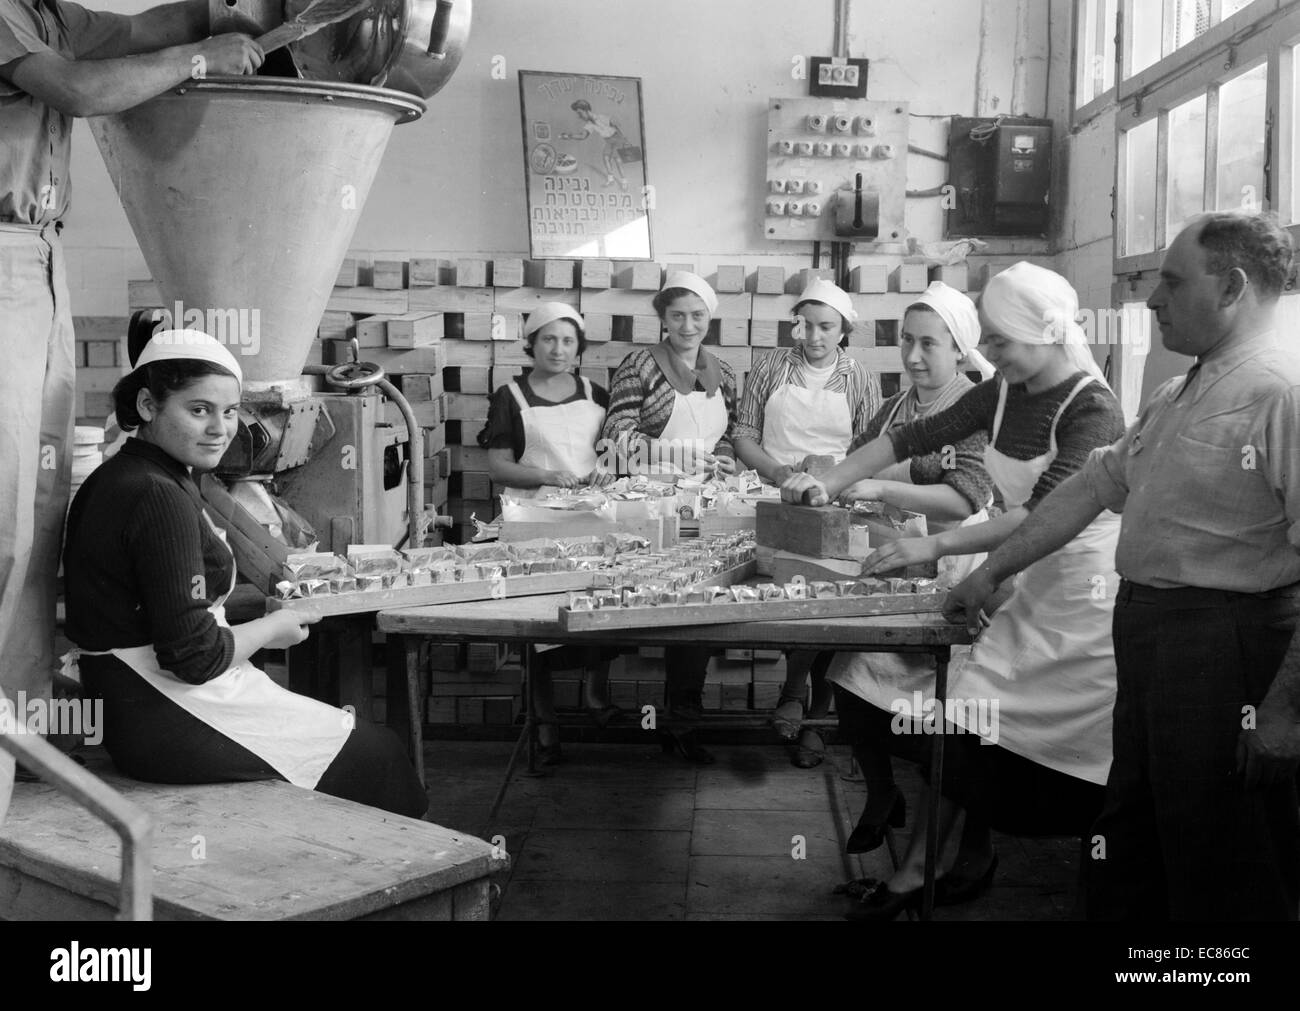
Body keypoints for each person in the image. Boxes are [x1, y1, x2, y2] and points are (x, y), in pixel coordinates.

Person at [949, 212, 1300, 922]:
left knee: (1219, 852)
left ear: (1231, 287)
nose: (1150, 300)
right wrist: (989, 572)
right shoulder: (1180, 395)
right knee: (1135, 836)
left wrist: (1287, 709)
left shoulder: (1280, 395)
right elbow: (1087, 490)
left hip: (1224, 648)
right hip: (1151, 642)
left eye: (1171, 282)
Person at [783, 262, 1126, 920]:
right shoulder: (1000, 391)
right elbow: (905, 438)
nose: (988, 353)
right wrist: (831, 481)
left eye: (1000, 340)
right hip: (1015, 571)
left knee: (1018, 738)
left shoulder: (1092, 408)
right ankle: (923, 867)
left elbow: (1042, 515)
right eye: (986, 340)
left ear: (1048, 335)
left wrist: (939, 547)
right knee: (965, 718)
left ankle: (955, 866)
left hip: (1077, 594)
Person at [0, 0, 262, 715]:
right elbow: (80, 91)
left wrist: (232, 12)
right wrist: (204, 59)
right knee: (6, 505)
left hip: (42, 252)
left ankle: (19, 720)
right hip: (6, 247)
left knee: (39, 506)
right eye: (202, 409)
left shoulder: (46, 13)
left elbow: (148, 28)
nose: (218, 425)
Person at [62, 330, 428, 818]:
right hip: (161, 712)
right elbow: (193, 657)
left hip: (128, 701)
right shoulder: (157, 494)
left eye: (230, 411)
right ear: (148, 405)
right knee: (376, 753)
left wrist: (247, 609)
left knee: (361, 744)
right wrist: (273, 629)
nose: (220, 428)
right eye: (199, 410)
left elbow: (160, 603)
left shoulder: (129, 474)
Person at [824, 281, 996, 855]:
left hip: (956, 567)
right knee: (848, 676)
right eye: (906, 341)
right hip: (899, 562)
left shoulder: (973, 408)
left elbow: (966, 499)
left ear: (958, 349)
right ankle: (881, 793)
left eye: (929, 344)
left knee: (948, 712)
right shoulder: (897, 407)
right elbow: (856, 460)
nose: (913, 356)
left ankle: (966, 840)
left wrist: (875, 482)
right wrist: (826, 475)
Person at [734, 278, 882, 767]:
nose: (815, 336)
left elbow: (869, 449)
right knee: (785, 596)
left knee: (826, 602)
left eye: (827, 327)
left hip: (837, 505)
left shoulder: (860, 376)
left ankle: (810, 711)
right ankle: (797, 695)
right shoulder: (770, 366)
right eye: (807, 324)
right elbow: (743, 436)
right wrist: (779, 472)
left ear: (844, 330)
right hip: (771, 497)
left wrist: (833, 483)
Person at [601, 271, 739, 763]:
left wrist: (725, 459)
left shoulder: (722, 369)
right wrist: (672, 454)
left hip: (706, 505)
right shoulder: (640, 365)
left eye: (697, 315)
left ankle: (681, 723)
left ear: (709, 318)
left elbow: (727, 436)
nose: (688, 324)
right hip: (650, 501)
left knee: (696, 606)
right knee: (659, 603)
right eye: (677, 315)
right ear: (662, 318)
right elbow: (616, 437)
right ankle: (639, 718)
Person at [481, 302, 619, 763]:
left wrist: (606, 474)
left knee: (600, 613)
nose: (558, 349)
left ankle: (598, 703)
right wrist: (546, 477)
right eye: (548, 339)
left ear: (579, 348)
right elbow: (497, 465)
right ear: (532, 344)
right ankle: (544, 726)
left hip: (594, 519)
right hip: (534, 521)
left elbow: (615, 456)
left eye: (567, 341)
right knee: (540, 625)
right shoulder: (510, 396)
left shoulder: (597, 394)